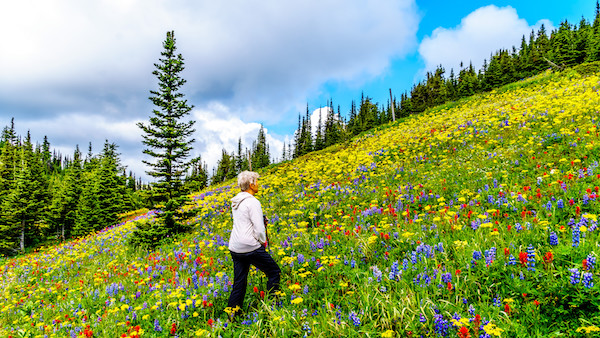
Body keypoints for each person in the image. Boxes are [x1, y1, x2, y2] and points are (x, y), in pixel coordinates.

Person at [227, 171, 281, 313]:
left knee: (239, 282)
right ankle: (271, 307)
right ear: (251, 185)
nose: (258, 184)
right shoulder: (253, 202)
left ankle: (232, 314)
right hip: (250, 246)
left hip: (235, 247)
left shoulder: (236, 201)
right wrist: (262, 242)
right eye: (256, 181)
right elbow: (259, 229)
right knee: (274, 271)